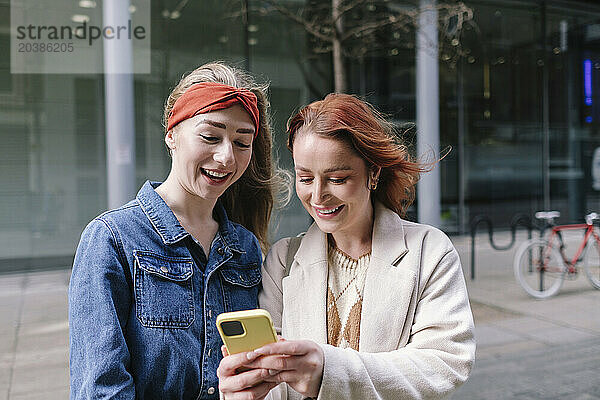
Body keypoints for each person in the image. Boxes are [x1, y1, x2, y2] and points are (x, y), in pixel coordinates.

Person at [217, 93, 476, 400]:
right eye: (305, 177)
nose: (317, 195)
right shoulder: (284, 259)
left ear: (374, 173)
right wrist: (246, 389)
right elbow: (275, 384)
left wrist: (329, 371)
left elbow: (444, 362)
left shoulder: (429, 251)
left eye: (337, 179)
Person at [69, 61, 283, 399]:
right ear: (172, 135)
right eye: (211, 136)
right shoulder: (113, 238)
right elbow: (101, 387)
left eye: (242, 143)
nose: (226, 157)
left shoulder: (245, 247)